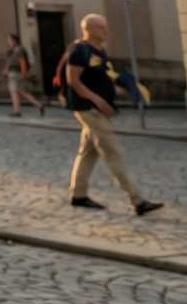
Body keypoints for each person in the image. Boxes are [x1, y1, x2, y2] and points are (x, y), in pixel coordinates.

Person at [63, 13, 163, 215]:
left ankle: (79, 195)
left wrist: (124, 90)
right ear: (89, 30)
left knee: (88, 152)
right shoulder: (80, 51)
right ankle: (138, 200)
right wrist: (97, 99)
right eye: (101, 28)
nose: (106, 31)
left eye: (106, 27)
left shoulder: (100, 51)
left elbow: (102, 78)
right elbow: (73, 81)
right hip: (88, 109)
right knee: (113, 152)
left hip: (99, 109)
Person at [4, 32, 45, 117]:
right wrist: (6, 70)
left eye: (9, 40)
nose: (8, 42)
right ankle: (39, 105)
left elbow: (22, 62)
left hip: (16, 73)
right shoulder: (13, 50)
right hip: (14, 73)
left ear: (14, 40)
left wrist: (23, 74)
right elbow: (9, 62)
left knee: (14, 92)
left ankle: (16, 111)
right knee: (21, 92)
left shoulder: (19, 50)